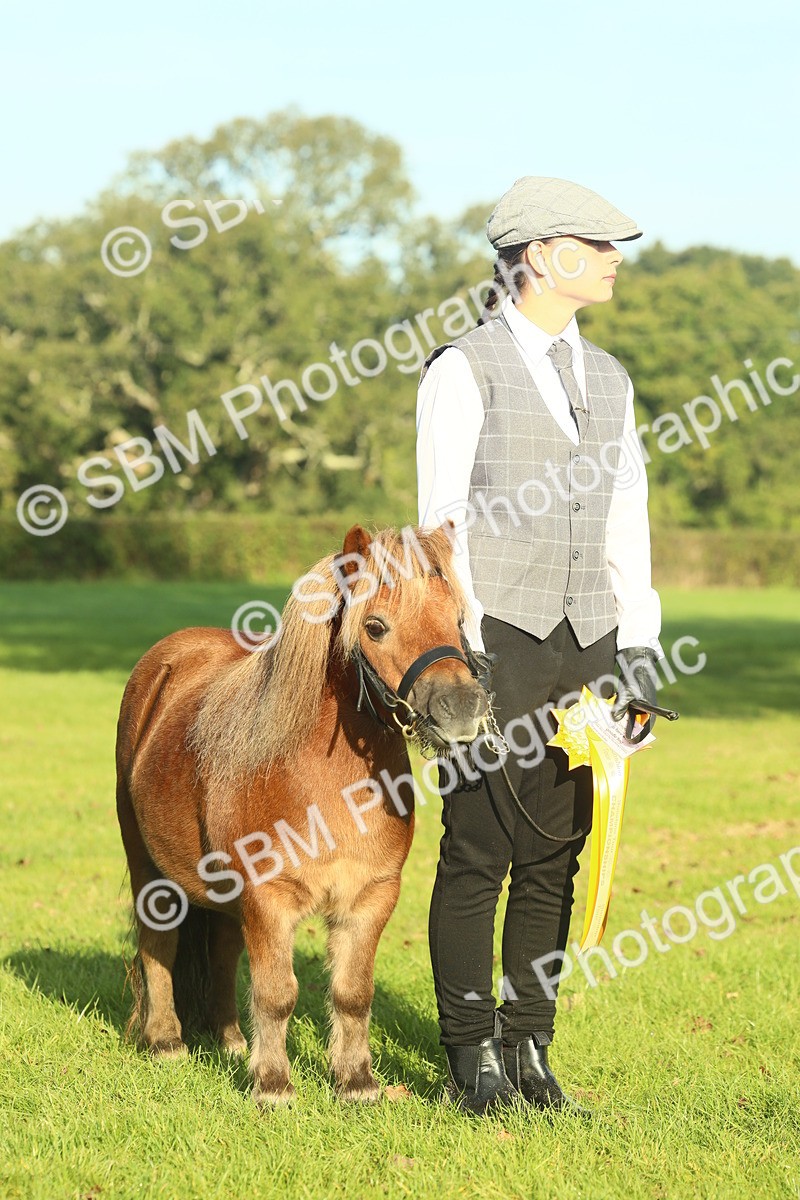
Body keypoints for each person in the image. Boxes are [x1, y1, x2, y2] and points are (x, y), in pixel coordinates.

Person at [415, 176, 663, 1116]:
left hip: (587, 639)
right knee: (479, 848)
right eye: (593, 243)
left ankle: (531, 1049)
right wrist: (471, 655)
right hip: (496, 636)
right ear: (535, 256)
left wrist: (633, 648)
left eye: (611, 245)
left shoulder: (611, 378)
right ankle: (469, 1053)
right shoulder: (462, 369)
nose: (611, 258)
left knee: (559, 851)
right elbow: (443, 527)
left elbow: (625, 519)